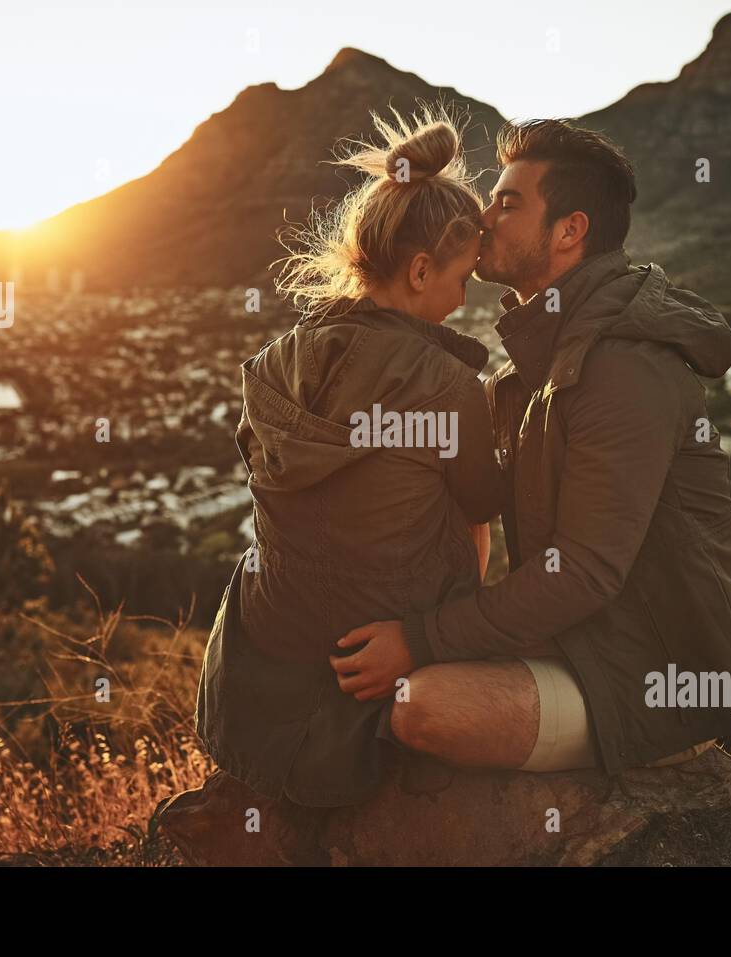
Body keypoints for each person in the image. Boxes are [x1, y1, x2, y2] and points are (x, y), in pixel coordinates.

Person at [332, 119, 731, 779]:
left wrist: (420, 638)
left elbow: (585, 570)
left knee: (421, 705)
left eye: (508, 203)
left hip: (667, 666)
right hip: (580, 642)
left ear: (570, 231)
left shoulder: (625, 362)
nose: (484, 219)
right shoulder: (518, 372)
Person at [192, 104, 502, 807]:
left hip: (264, 661)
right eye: (461, 280)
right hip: (380, 665)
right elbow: (482, 509)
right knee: (469, 507)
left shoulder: (271, 363)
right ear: (421, 271)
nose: (462, 299)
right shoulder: (452, 386)